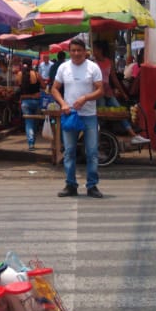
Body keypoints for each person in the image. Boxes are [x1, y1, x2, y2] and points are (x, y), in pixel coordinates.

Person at [50, 38, 105, 198]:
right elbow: (54, 89)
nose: (76, 53)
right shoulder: (63, 67)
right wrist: (63, 104)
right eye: (73, 50)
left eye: (79, 50)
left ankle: (92, 185)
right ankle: (70, 185)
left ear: (85, 52)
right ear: (69, 52)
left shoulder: (93, 67)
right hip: (70, 114)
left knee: (92, 152)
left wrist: (85, 98)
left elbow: (100, 90)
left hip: (89, 115)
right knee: (69, 151)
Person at [93, 40, 145, 145]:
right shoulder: (92, 63)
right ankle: (100, 137)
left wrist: (123, 93)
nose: (93, 51)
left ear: (100, 50)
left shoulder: (109, 62)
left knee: (120, 112)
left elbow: (114, 78)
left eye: (94, 49)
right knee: (101, 116)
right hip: (98, 92)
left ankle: (133, 135)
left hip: (108, 92)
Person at [17, 59, 44, 151]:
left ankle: (31, 143)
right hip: (36, 102)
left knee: (29, 123)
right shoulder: (36, 74)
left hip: (25, 102)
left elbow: (18, 86)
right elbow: (44, 86)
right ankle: (33, 141)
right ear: (31, 64)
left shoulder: (19, 74)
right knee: (35, 123)